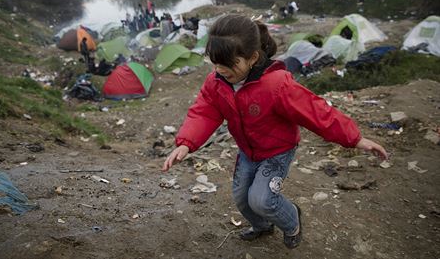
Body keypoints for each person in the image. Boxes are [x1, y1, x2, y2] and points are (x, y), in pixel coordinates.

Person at [162, 14, 388, 249]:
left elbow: (317, 112)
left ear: (252, 58)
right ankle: (262, 227)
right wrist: (186, 143)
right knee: (242, 198)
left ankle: (292, 222)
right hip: (248, 151)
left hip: (277, 151)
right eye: (215, 63)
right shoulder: (216, 81)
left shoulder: (277, 85)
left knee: (262, 199)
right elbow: (205, 111)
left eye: (228, 64)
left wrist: (356, 138)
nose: (220, 70)